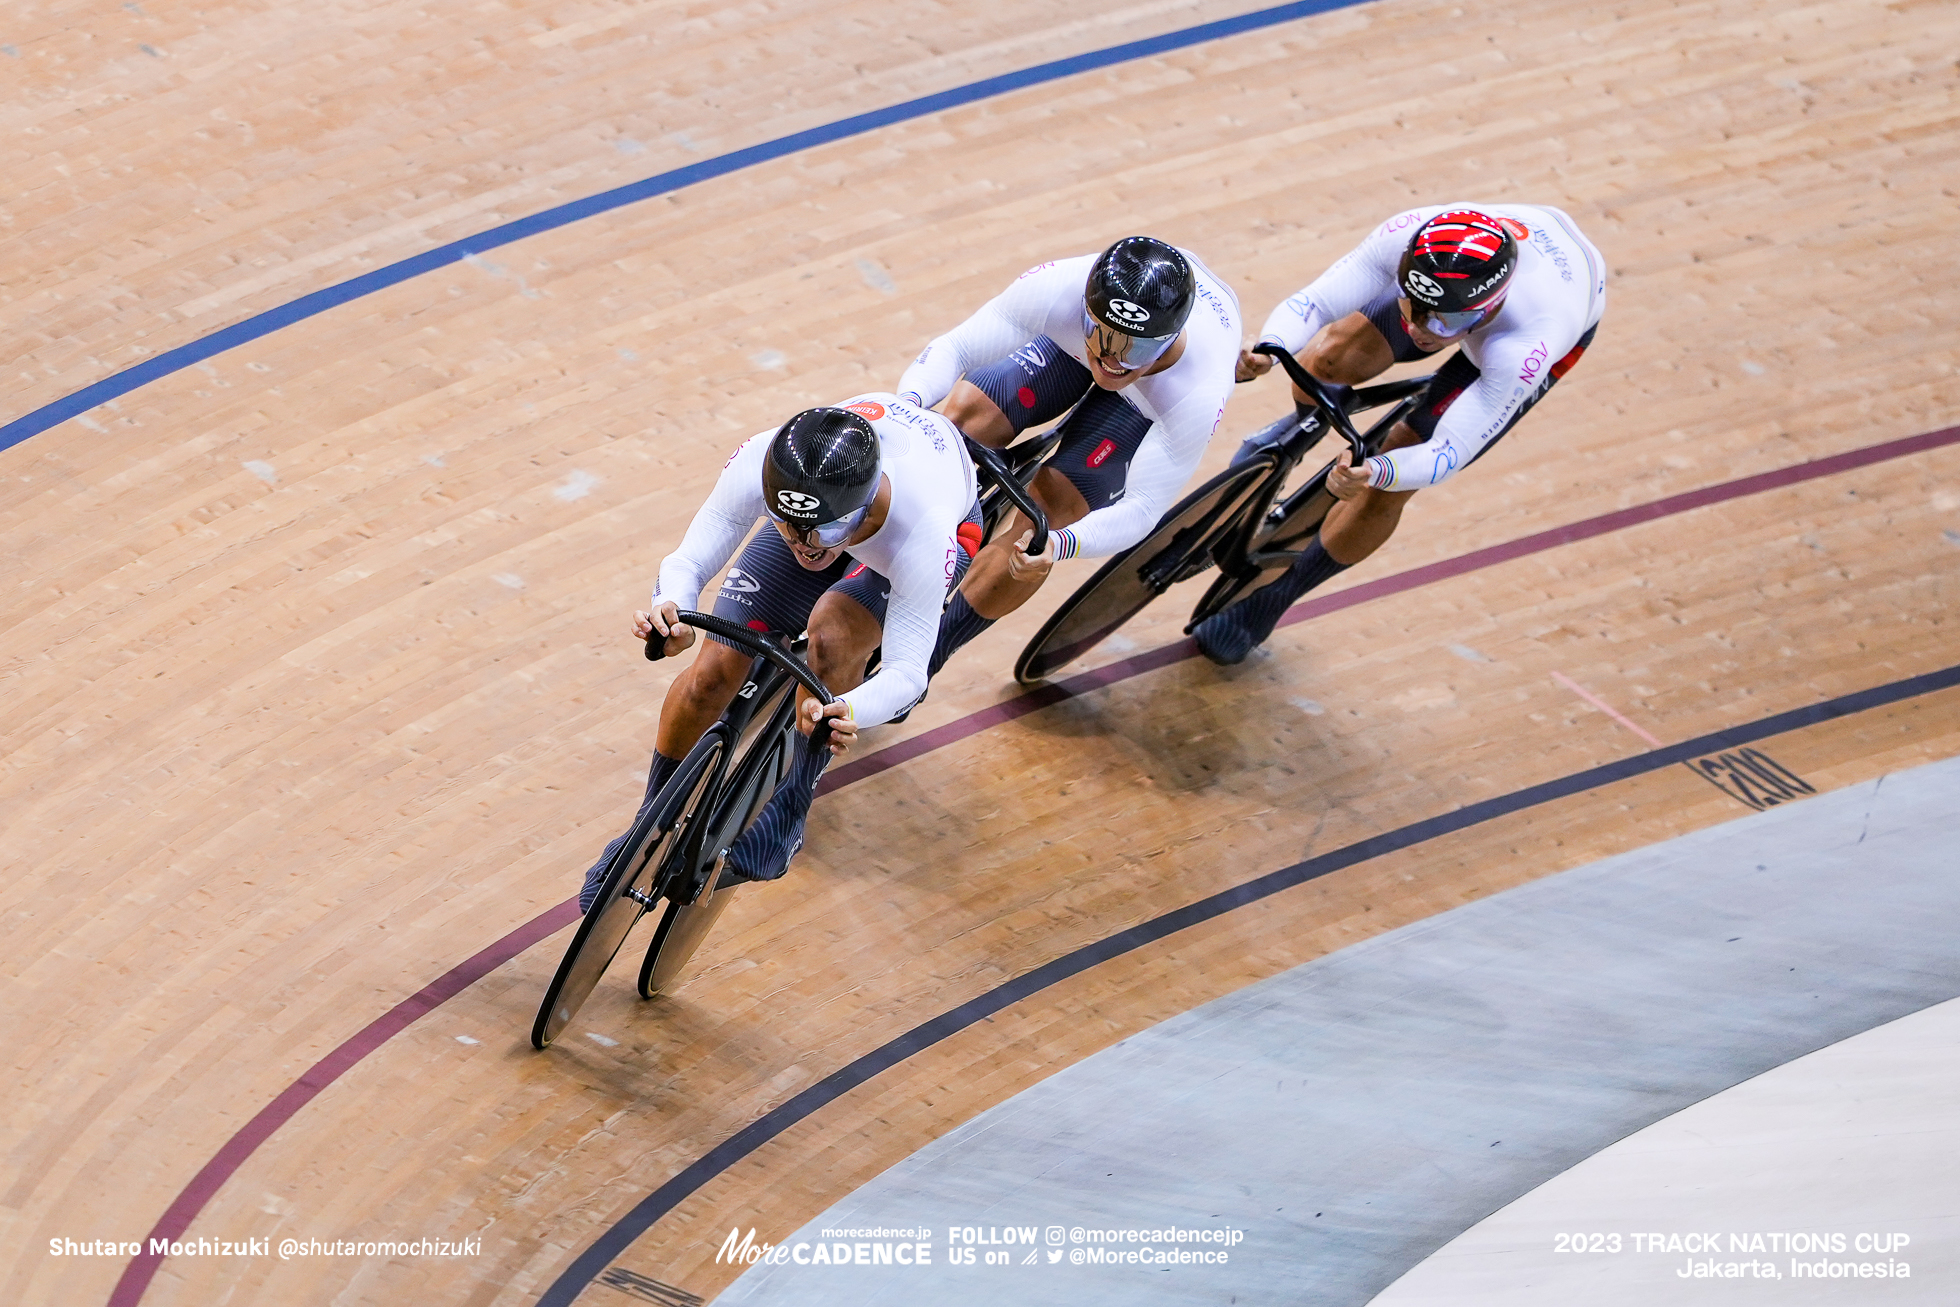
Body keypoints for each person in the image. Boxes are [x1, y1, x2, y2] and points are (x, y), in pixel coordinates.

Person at [580, 397, 983, 910]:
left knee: (833, 637)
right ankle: (648, 824)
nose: (808, 546)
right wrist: (672, 611)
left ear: (863, 506)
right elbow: (688, 560)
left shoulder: (923, 530)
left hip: (913, 532)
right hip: (841, 507)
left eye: (827, 531)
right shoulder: (763, 459)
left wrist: (849, 709)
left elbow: (908, 671)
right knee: (711, 673)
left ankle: (790, 812)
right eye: (789, 525)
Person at [1194, 205, 1607, 664]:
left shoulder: (1529, 341)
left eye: (1443, 324)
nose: (1420, 331)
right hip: (1460, 285)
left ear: (1488, 307)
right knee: (1329, 360)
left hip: (1543, 318)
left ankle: (1277, 596)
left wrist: (1378, 470)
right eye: (1411, 306)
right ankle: (1289, 437)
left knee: (1395, 476)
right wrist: (1270, 349)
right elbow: (1313, 303)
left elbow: (1447, 453)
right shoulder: (1408, 236)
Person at [896, 235, 1241, 675]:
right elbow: (956, 347)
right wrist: (908, 403)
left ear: (1171, 339)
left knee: (1048, 517)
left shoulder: (1198, 388)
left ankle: (926, 657)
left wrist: (1060, 544)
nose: (1112, 359)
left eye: (1133, 347)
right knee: (963, 419)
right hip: (1067, 347)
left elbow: (1144, 508)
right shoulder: (1061, 286)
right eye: (1101, 333)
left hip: (1147, 403)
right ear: (1085, 307)